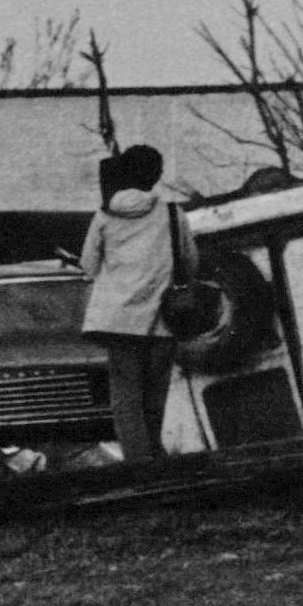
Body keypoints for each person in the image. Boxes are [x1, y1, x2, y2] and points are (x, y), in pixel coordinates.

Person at [75, 147, 189, 461]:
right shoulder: (172, 214)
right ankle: (155, 454)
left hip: (118, 321)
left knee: (126, 397)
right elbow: (188, 261)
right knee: (155, 394)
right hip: (163, 318)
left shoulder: (105, 215)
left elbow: (88, 266)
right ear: (155, 175)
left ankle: (138, 462)